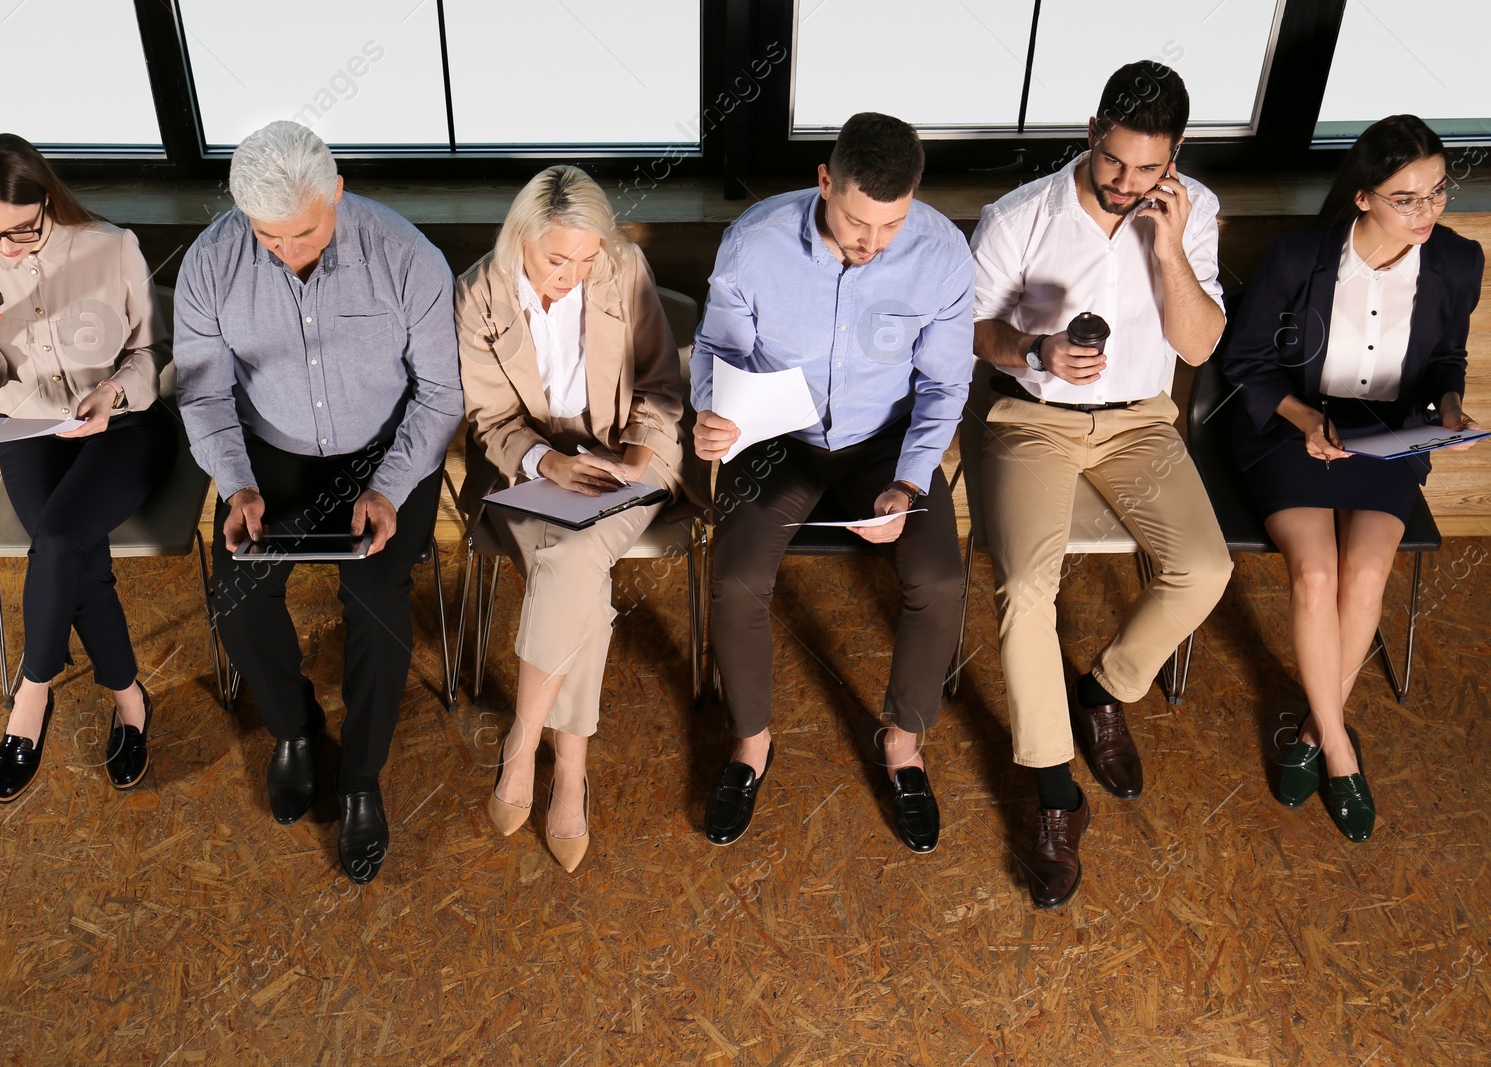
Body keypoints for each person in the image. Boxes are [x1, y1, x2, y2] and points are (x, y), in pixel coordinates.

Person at [968, 62, 1233, 908]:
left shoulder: (1190, 214)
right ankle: (1055, 795)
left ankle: (1105, 689)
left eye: (1148, 169)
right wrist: (1036, 350)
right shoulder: (1018, 217)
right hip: (1032, 417)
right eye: (1115, 162)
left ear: (1175, 156)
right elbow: (970, 332)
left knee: (1207, 568)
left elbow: (1197, 346)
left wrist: (1165, 245)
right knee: (1025, 588)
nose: (1127, 184)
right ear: (1090, 133)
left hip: (1142, 420)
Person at [173, 121, 462, 884]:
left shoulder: (408, 258)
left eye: (304, 232)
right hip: (269, 454)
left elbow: (439, 396)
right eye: (271, 240)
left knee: (374, 594)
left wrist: (389, 487)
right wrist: (235, 483)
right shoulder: (210, 264)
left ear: (336, 192)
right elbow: (203, 393)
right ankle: (295, 731)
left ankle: (361, 775)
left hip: (385, 449)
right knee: (235, 588)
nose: (291, 252)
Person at [692, 112, 973, 854]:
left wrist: (910, 486)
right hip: (776, 435)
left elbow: (945, 386)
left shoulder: (941, 253)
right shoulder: (753, 243)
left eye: (891, 224)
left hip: (885, 443)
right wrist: (711, 414)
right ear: (824, 181)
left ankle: (903, 744)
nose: (871, 242)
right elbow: (717, 349)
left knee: (942, 580)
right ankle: (751, 744)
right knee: (736, 577)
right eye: (856, 220)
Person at [1222, 115, 1482, 842]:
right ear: (1364, 197)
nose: (1427, 212)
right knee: (1314, 574)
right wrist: (1306, 419)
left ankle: (1311, 729)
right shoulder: (1298, 257)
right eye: (1408, 199)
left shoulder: (1458, 262)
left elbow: (1446, 360)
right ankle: (1337, 749)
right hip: (1290, 428)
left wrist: (1452, 408)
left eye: (1436, 194)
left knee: (1366, 571)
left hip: (1387, 432)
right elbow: (1245, 362)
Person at [456, 165, 685, 873]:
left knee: (576, 558)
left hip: (626, 454)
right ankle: (570, 765)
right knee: (577, 565)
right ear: (521, 238)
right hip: (528, 467)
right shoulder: (477, 294)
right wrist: (543, 464)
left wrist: (635, 457)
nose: (575, 275)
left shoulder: (624, 267)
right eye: (559, 259)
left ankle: (525, 741)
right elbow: (490, 416)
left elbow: (659, 382)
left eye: (587, 260)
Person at [0, 133, 177, 803]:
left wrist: (111, 393)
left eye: (21, 229)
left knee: (60, 539)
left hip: (124, 422)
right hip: (28, 422)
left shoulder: (113, 247)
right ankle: (129, 696)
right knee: (71, 546)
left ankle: (30, 697)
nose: (5, 248)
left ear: (48, 197)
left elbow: (151, 353)